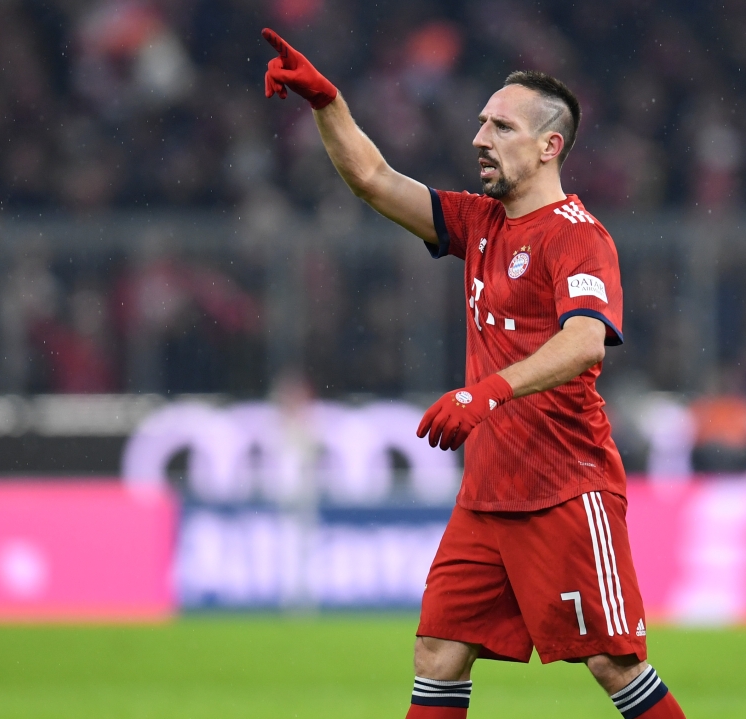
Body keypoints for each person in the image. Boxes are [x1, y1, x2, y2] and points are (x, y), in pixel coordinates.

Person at [261, 28, 686, 719]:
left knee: (614, 662)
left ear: (550, 146)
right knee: (438, 652)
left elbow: (584, 342)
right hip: (488, 494)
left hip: (564, 487)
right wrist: (328, 104)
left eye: (501, 125)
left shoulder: (578, 235)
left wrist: (486, 391)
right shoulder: (480, 222)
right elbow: (373, 180)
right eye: (482, 121)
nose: (479, 137)